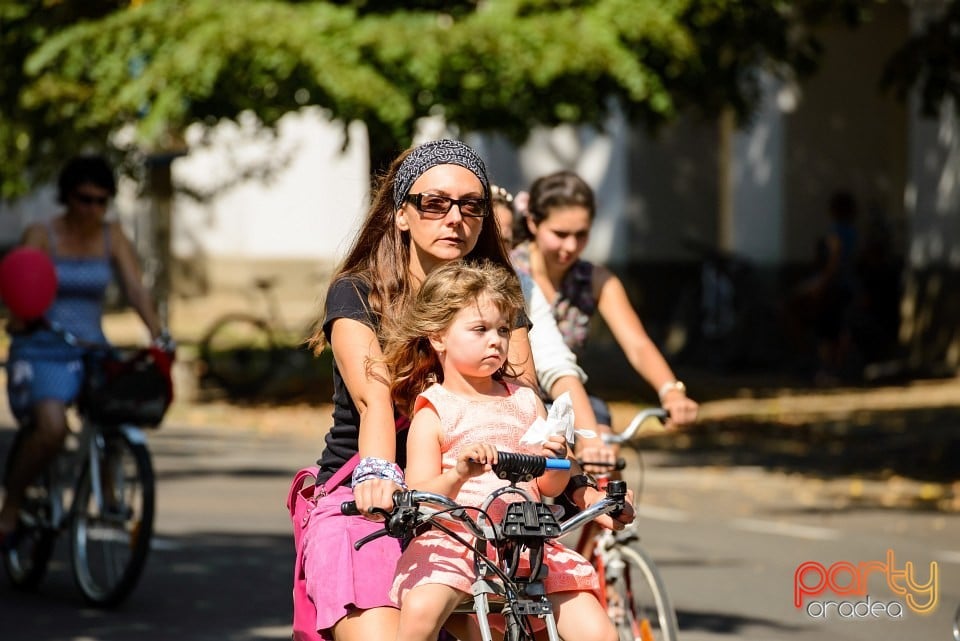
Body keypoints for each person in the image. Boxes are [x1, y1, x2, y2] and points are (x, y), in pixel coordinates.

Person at [298, 140, 631, 641]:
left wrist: (578, 482)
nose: (454, 217)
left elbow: (522, 409)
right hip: (373, 495)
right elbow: (374, 402)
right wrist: (381, 478)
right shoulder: (359, 292)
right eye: (434, 203)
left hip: (482, 501)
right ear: (402, 214)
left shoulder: (501, 300)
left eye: (471, 205)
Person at [383, 260, 617, 641]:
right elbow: (421, 495)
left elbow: (551, 486)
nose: (496, 340)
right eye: (480, 329)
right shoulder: (434, 409)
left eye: (503, 329)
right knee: (421, 613)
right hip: (456, 542)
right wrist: (459, 473)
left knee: (598, 632)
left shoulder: (525, 400)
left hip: (529, 543)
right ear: (438, 336)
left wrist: (554, 457)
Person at [0, 154, 164, 545]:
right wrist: (22, 318)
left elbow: (136, 290)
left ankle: (107, 488)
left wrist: (159, 335)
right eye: (84, 199)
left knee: (116, 413)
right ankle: (11, 506)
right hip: (43, 347)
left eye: (101, 201)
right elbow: (24, 287)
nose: (92, 209)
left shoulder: (113, 235)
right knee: (52, 429)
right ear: (67, 197)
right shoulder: (41, 235)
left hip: (91, 347)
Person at [511, 170, 699, 431]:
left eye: (581, 235)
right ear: (533, 223)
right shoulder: (509, 273)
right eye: (560, 234)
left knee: (604, 448)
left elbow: (637, 344)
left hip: (569, 397)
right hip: (515, 400)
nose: (570, 246)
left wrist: (670, 391)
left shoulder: (595, 280)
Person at [491, 184, 614, 468]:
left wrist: (591, 440)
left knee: (586, 462)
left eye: (506, 243)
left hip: (529, 408)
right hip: (455, 420)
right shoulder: (445, 283)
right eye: (489, 239)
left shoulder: (519, 283)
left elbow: (555, 363)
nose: (497, 252)